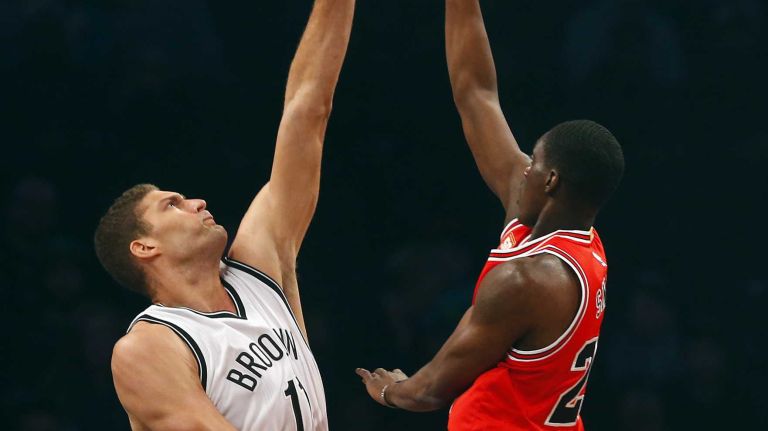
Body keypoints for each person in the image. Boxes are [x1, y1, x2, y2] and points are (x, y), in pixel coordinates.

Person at [356, 1, 624, 430]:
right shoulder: (565, 231)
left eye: (532, 159)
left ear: (551, 180)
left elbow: (429, 390)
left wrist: (390, 390)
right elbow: (477, 95)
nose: (523, 165)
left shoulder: (533, 279)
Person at [94, 1, 355, 429]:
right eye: (171, 204)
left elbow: (308, 113)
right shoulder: (149, 347)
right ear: (144, 246)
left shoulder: (257, 268)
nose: (197, 202)